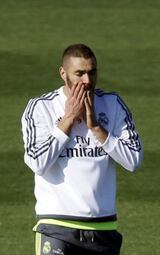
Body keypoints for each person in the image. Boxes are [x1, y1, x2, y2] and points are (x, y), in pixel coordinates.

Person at [21, 43, 143, 254]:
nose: (87, 81)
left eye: (92, 72)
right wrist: (67, 120)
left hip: (103, 228)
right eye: (79, 73)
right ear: (63, 73)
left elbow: (133, 160)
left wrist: (96, 127)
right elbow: (37, 162)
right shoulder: (41, 107)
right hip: (56, 227)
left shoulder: (112, 104)